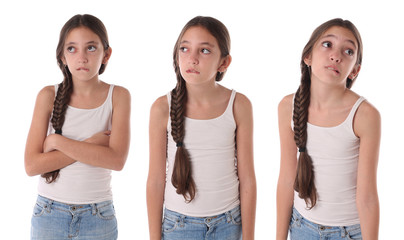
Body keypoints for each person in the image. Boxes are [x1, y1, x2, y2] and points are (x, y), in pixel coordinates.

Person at [146, 16, 256, 240]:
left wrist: (249, 236)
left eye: (204, 51)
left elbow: (247, 178)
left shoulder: (238, 105)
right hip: (179, 225)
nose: (192, 58)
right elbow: (156, 180)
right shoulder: (161, 108)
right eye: (185, 49)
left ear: (223, 63)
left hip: (228, 223)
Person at [24, 14, 131, 240]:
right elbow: (32, 165)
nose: (81, 57)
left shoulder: (118, 96)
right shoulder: (47, 96)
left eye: (91, 48)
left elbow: (116, 160)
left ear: (106, 54)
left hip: (98, 216)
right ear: (62, 56)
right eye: (72, 49)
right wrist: (91, 144)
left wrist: (55, 142)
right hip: (49, 214)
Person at [276, 18, 380, 240]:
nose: (336, 55)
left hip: (349, 232)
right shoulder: (287, 107)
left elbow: (367, 196)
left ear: (355, 70)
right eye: (327, 44)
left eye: (348, 51)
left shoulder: (365, 115)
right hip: (301, 227)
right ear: (308, 57)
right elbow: (287, 178)